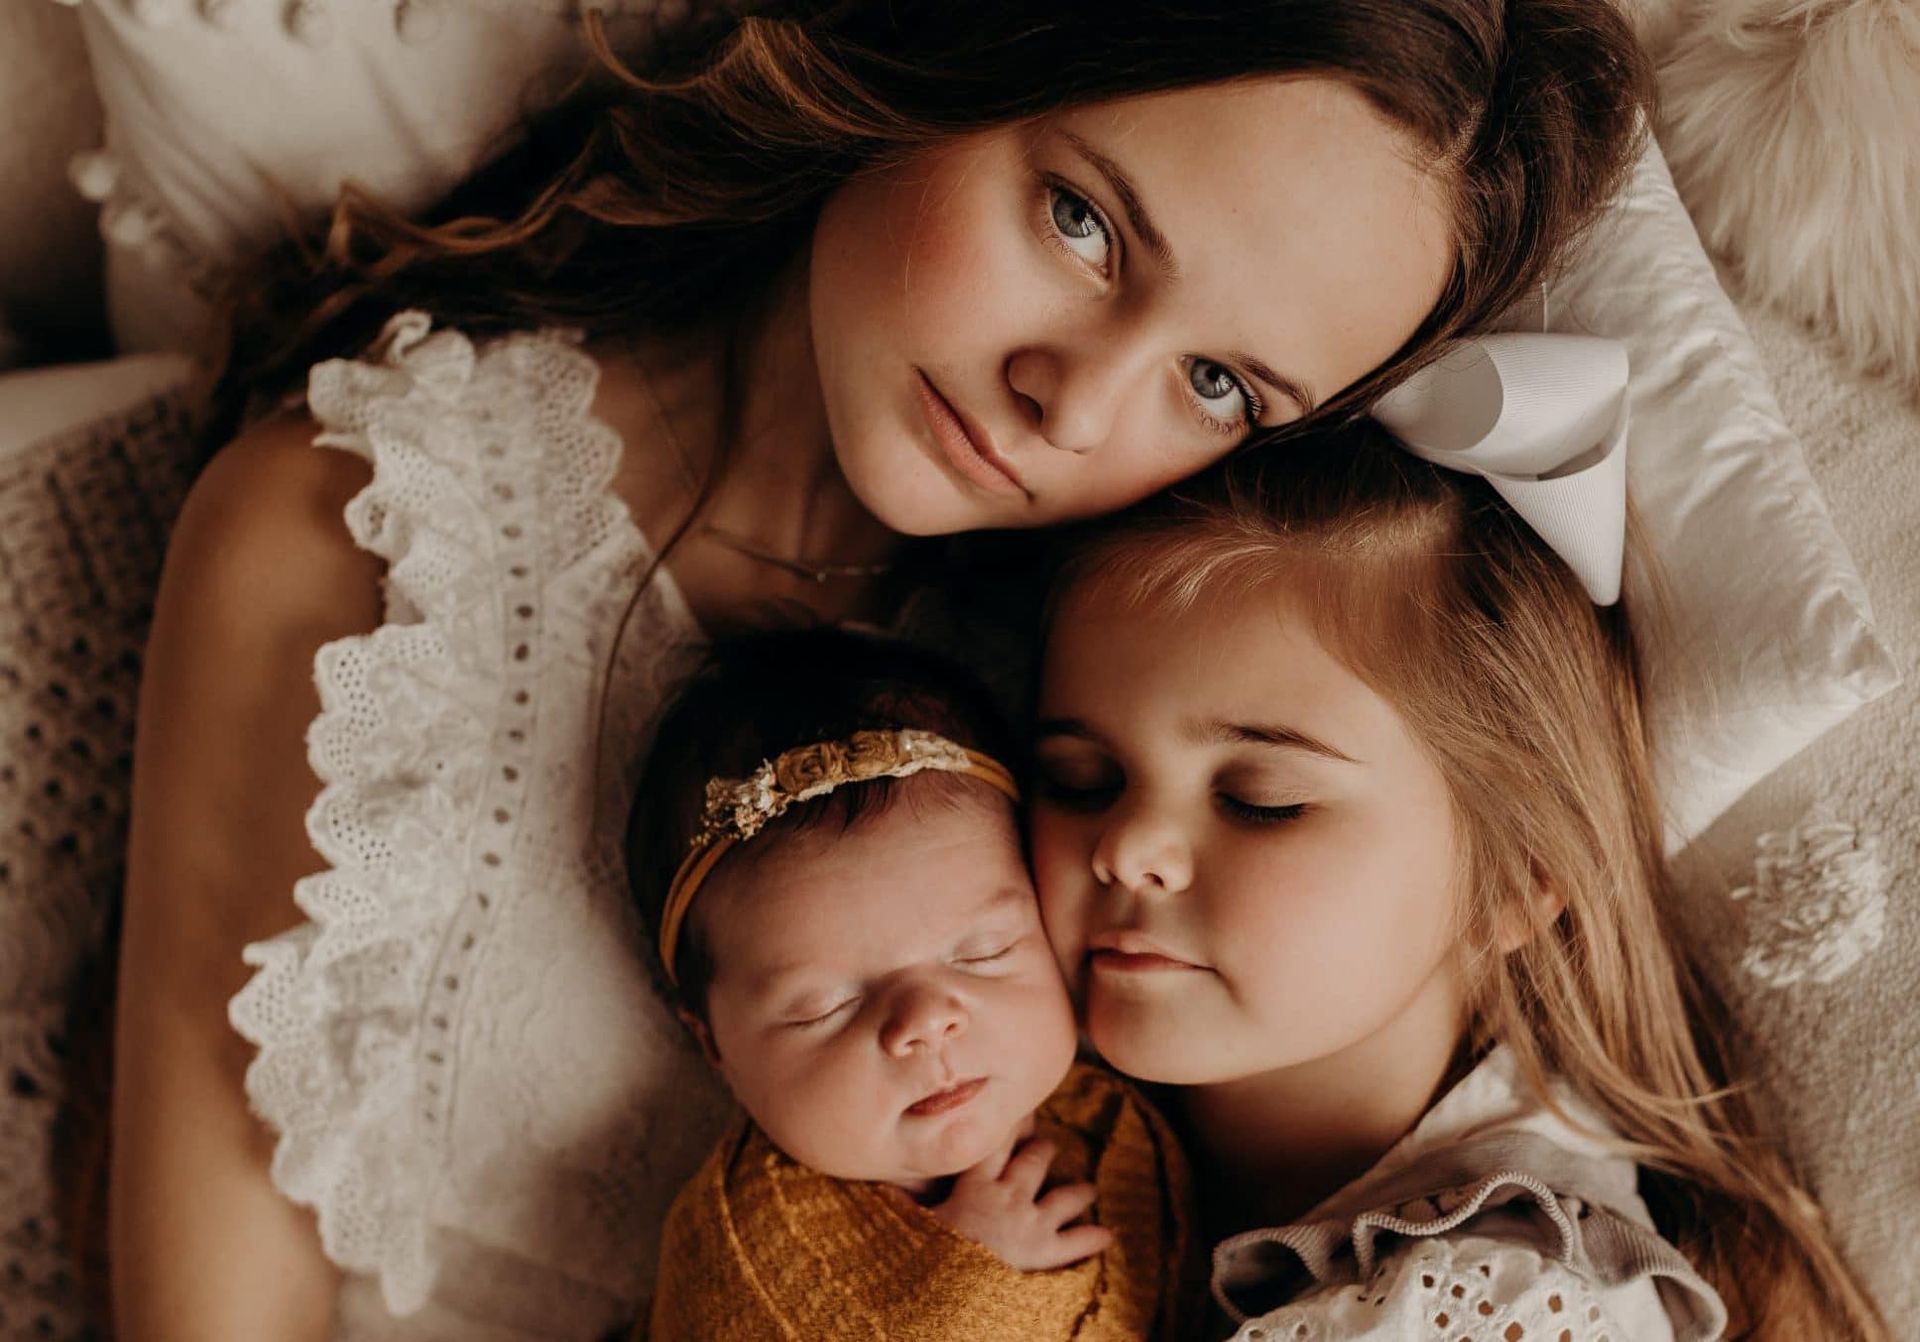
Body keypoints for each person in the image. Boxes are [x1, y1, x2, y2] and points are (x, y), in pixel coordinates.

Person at [109, 2, 1653, 1337]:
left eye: (1217, 381)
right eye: (1083, 222)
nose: (1075, 404)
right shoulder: (366, 540)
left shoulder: (1133, 712)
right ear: (948, 47)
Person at [1028, 426, 1891, 1340]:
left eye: (1260, 801)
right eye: (1078, 782)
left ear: (1514, 880)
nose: (1125, 847)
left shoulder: (1491, 1301)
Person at [625, 628, 1194, 1341]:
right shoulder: (741, 1237)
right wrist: (959, 1283)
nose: (927, 1020)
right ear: (715, 1046)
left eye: (984, 952)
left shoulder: (1121, 1116)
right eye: (824, 1006)